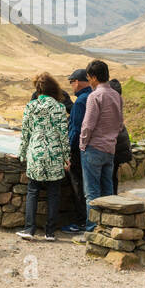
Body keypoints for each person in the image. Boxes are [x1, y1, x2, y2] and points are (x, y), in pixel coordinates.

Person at [16, 72, 70, 241]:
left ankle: (29, 229)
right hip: (54, 155)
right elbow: (63, 135)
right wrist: (66, 157)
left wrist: (22, 153)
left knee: (33, 191)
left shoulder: (31, 107)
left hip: (36, 154)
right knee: (54, 193)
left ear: (38, 89)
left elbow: (25, 133)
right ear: (53, 88)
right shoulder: (60, 108)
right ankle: (50, 232)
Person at [78, 59, 123, 227]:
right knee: (107, 192)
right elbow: (120, 124)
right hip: (110, 149)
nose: (89, 81)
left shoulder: (95, 96)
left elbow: (88, 125)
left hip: (93, 148)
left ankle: (92, 230)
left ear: (94, 77)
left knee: (92, 194)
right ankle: (107, 228)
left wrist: (83, 144)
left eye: (89, 77)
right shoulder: (116, 95)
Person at [62, 68, 93, 233]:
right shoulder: (94, 96)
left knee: (79, 187)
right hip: (96, 149)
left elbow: (76, 129)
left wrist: (68, 153)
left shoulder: (81, 101)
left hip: (79, 152)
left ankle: (82, 222)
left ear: (78, 81)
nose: (71, 85)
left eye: (71, 82)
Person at [108, 78, 132, 195]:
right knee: (113, 177)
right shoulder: (118, 102)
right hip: (120, 146)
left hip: (114, 147)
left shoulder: (109, 103)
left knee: (109, 177)